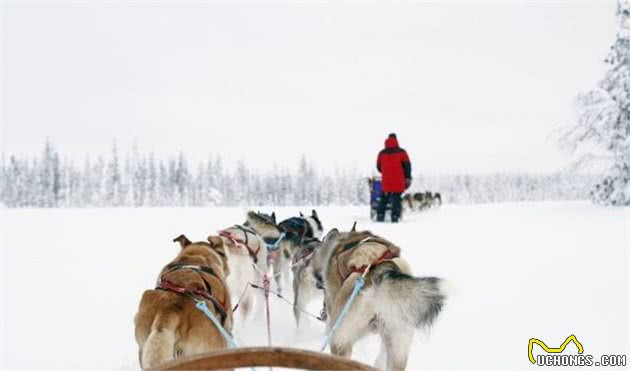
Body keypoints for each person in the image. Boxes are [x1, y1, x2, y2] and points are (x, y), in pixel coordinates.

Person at [376, 133, 411, 222]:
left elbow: (378, 166)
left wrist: (385, 172)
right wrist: (407, 177)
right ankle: (395, 217)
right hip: (398, 180)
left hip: (386, 180)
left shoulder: (382, 153)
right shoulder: (402, 152)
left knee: (384, 197)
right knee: (396, 198)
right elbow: (407, 166)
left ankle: (380, 215)